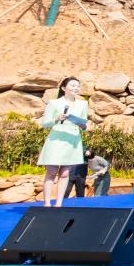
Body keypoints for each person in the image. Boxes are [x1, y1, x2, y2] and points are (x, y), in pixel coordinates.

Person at [37, 76, 89, 207]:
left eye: (77, 86)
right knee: (52, 172)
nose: (76, 88)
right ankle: (47, 203)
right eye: (72, 85)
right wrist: (56, 119)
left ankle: (59, 203)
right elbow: (45, 123)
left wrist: (79, 123)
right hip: (57, 139)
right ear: (64, 88)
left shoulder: (83, 104)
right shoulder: (54, 103)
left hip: (72, 139)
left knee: (65, 173)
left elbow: (84, 125)